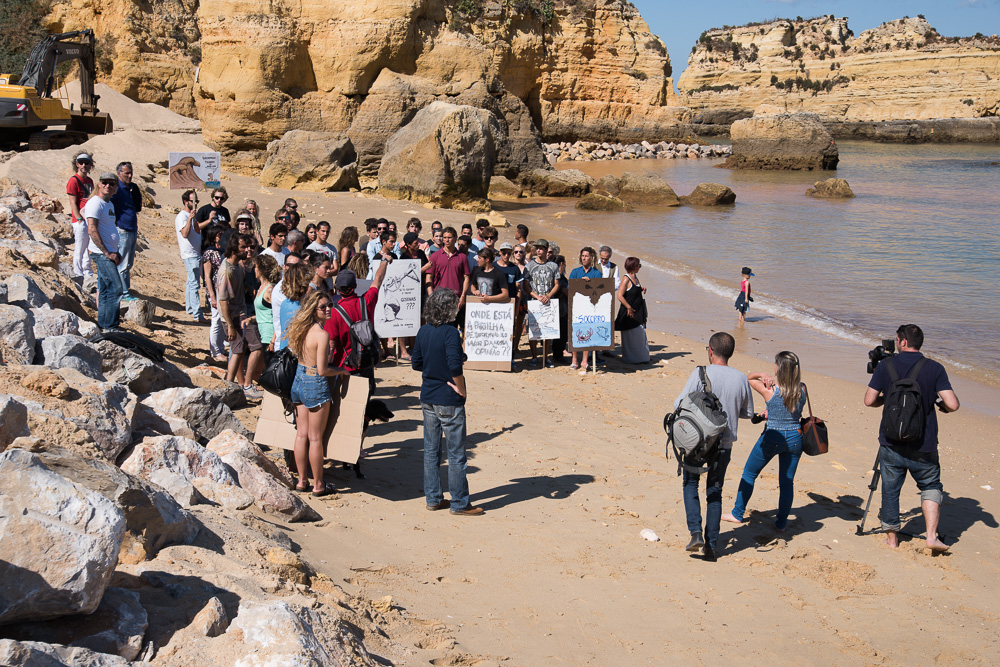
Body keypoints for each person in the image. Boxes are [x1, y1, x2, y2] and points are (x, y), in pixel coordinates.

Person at [863, 324, 960, 552]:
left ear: (903, 342)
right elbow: (953, 404)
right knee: (930, 485)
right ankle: (931, 536)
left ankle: (892, 539)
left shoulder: (886, 365)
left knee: (890, 488)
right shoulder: (935, 368)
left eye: (897, 340)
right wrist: (941, 407)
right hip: (923, 442)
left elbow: (869, 400)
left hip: (891, 441)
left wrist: (886, 400)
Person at [674, 332, 754, 562]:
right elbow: (747, 412)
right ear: (731, 353)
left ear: (710, 350)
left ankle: (696, 532)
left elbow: (678, 403)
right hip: (724, 444)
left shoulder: (700, 373)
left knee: (690, 483)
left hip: (696, 441)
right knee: (715, 493)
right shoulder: (740, 378)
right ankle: (711, 545)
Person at [411, 288, 483, 516]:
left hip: (428, 396)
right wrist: (461, 388)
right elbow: (454, 365)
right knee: (456, 454)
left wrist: (436, 368)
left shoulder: (423, 330)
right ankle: (460, 503)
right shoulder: (451, 332)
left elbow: (416, 363)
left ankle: (433, 498)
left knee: (431, 451)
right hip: (448, 398)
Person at [723, 351, 808, 534]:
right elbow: (792, 409)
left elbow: (746, 379)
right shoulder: (802, 389)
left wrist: (761, 374)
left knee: (749, 474)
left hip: (773, 436)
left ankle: (737, 513)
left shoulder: (770, 389)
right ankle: (781, 523)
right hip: (795, 436)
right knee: (787, 482)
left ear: (778, 369)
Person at [285, 289, 348, 497]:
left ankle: (302, 481)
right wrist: (341, 370)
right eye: (323, 307)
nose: (328, 309)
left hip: (299, 379)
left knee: (301, 434)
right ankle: (319, 484)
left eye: (329, 305)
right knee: (315, 438)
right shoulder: (322, 334)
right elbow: (322, 370)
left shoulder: (300, 329)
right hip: (314, 381)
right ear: (313, 310)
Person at [324, 249, 391, 390]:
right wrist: (384, 261)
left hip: (344, 367)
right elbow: (377, 280)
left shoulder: (333, 314)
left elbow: (331, 345)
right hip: (367, 361)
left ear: (336, 288)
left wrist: (325, 369)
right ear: (355, 286)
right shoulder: (366, 301)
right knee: (365, 402)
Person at [85, 172, 122, 332]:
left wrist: (115, 250)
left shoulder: (109, 204)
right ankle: (111, 325)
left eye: (111, 183)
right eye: (105, 183)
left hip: (110, 252)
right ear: (99, 184)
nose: (108, 186)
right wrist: (107, 252)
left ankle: (104, 323)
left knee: (106, 288)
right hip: (101, 254)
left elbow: (109, 229)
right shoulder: (95, 203)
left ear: (115, 187)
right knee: (116, 288)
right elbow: (92, 229)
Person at [217, 233, 256, 385]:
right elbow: (223, 301)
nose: (247, 250)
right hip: (231, 317)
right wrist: (231, 326)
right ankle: (229, 383)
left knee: (240, 349)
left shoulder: (237, 266)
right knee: (238, 350)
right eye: (243, 247)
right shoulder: (227, 271)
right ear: (233, 249)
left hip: (238, 313)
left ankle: (231, 383)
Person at [522, 239, 560, 367]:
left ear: (546, 250)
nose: (538, 250)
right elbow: (526, 285)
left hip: (549, 301)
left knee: (548, 331)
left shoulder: (553, 266)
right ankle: (534, 356)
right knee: (534, 330)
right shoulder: (529, 266)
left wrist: (548, 295)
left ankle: (545, 356)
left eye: (541, 248)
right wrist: (537, 296)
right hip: (534, 301)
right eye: (537, 248)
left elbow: (557, 284)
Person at [111, 161, 142, 302]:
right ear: (119, 173)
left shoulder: (132, 188)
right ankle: (122, 292)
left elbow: (136, 206)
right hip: (122, 228)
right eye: (126, 173)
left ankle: (125, 288)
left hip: (132, 228)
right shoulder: (115, 188)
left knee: (129, 263)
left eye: (131, 173)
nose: (129, 176)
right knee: (122, 263)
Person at [426, 227, 471, 324]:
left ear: (455, 238)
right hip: (438, 298)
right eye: (444, 237)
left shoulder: (462, 257)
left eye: (449, 237)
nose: (446, 240)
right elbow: (429, 276)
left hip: (455, 298)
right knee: (437, 327)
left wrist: (463, 296)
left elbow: (466, 278)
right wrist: (431, 296)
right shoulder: (435, 256)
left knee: (452, 328)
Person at [568, 247, 602, 372]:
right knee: (575, 333)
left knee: (587, 332)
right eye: (582, 255)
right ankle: (574, 360)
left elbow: (599, 290)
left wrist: (590, 283)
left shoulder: (597, 273)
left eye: (586, 256)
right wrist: (579, 282)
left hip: (589, 307)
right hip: (576, 306)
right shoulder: (575, 271)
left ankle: (584, 360)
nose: (584, 258)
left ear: (591, 258)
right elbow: (569, 287)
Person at [175, 189, 205, 323]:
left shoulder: (192, 216)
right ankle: (197, 314)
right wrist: (190, 219)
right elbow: (185, 234)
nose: (196, 203)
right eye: (193, 201)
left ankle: (191, 309)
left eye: (197, 201)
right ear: (186, 202)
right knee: (194, 284)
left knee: (190, 282)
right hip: (190, 254)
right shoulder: (182, 216)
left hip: (195, 253)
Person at [66, 152, 95, 289]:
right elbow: (72, 203)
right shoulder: (73, 181)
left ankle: (87, 271)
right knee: (80, 247)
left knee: (87, 247)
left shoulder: (89, 181)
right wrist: (78, 218)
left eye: (86, 163)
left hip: (88, 217)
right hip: (80, 219)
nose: (84, 165)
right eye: (81, 162)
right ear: (77, 164)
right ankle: (78, 272)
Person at [614, 256, 649, 364]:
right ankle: (631, 359)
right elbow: (620, 296)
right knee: (632, 336)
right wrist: (629, 307)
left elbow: (632, 291)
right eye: (638, 265)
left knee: (639, 334)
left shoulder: (635, 277)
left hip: (638, 311)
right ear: (633, 266)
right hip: (630, 313)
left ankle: (641, 358)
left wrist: (640, 289)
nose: (639, 267)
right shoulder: (626, 278)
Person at [202, 226, 227, 361]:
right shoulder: (209, 252)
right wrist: (211, 295)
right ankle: (215, 350)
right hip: (215, 291)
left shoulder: (224, 251)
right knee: (216, 320)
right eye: (218, 234)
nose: (221, 237)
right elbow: (207, 276)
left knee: (223, 320)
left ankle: (221, 348)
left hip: (224, 290)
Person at [276, 262, 314, 351]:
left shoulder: (285, 303)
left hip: (285, 352)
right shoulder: (301, 308)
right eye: (308, 281)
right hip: (297, 355)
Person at [253, 254, 281, 352]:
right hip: (263, 334)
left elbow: (278, 315)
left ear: (261, 269)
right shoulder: (261, 287)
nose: (254, 269)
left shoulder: (270, 289)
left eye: (256, 267)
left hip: (269, 336)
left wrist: (273, 340)